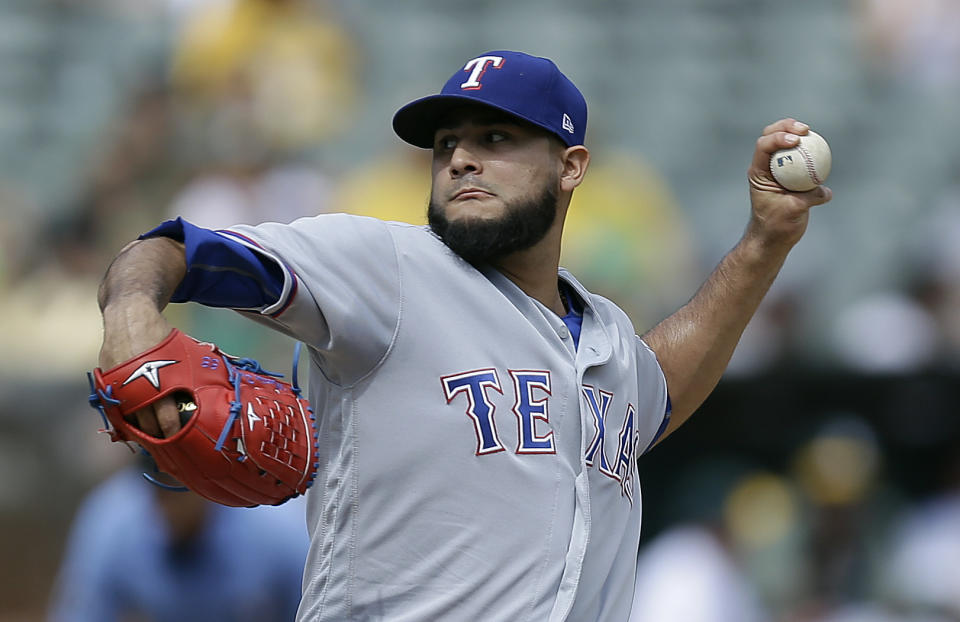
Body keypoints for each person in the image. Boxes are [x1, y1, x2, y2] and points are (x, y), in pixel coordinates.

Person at [94, 50, 832, 621]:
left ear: (572, 166)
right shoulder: (385, 267)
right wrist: (132, 315)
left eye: (496, 136)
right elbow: (177, 251)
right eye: (446, 143)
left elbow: (659, 390)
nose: (461, 158)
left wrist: (763, 243)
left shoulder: (604, 337)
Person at [49, 459, 308, 622]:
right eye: (160, 491)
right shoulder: (112, 518)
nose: (169, 509)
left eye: (179, 490)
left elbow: (316, 610)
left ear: (210, 485)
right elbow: (82, 612)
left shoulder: (273, 524)